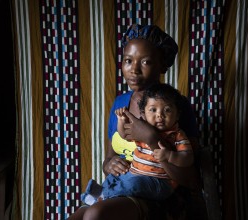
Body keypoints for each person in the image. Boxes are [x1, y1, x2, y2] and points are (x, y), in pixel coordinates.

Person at [69, 24, 207, 220]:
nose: (134, 69)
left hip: (160, 196)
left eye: (146, 62)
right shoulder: (120, 103)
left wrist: (151, 139)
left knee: (95, 215)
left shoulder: (174, 106)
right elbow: (109, 159)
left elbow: (191, 180)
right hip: (122, 187)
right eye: (128, 61)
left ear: (162, 64)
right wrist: (109, 165)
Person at [80, 83, 194, 205]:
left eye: (167, 110)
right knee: (114, 178)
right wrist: (121, 120)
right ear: (143, 114)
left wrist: (170, 156)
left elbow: (188, 157)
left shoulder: (176, 134)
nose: (160, 115)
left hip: (159, 182)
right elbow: (124, 135)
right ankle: (98, 193)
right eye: (153, 110)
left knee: (132, 185)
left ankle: (103, 197)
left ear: (177, 115)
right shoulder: (142, 128)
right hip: (134, 174)